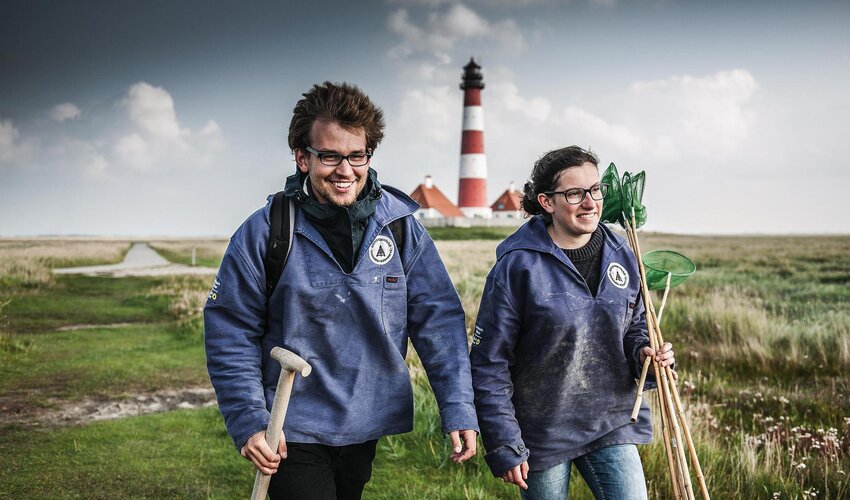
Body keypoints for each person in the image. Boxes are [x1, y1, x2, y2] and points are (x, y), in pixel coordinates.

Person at [204, 81, 478, 499]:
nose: (346, 170)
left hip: (365, 421)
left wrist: (458, 406)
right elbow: (230, 329)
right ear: (302, 157)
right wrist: (248, 420)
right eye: (330, 156)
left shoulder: (399, 226)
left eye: (357, 155)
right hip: (291, 423)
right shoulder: (266, 232)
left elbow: (437, 317)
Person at [469, 146, 675, 499]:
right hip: (543, 430)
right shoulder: (517, 267)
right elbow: (490, 362)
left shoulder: (623, 254)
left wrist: (645, 355)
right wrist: (504, 439)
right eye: (575, 193)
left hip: (610, 419)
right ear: (547, 202)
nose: (591, 202)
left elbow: (635, 324)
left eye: (595, 190)